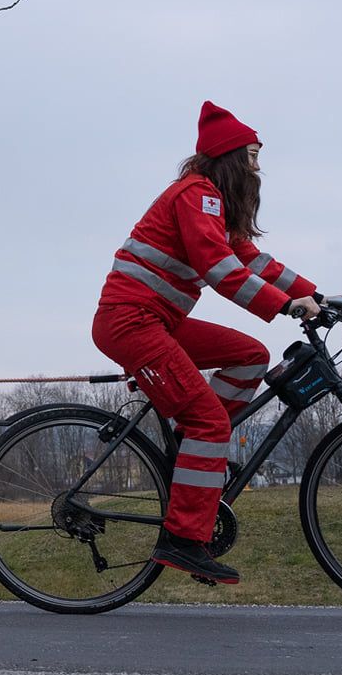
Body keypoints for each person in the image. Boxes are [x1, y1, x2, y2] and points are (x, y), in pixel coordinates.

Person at [91, 101, 323, 585]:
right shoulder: (197, 195)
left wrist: (314, 294)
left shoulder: (212, 202)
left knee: (251, 356)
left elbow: (252, 260)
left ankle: (190, 445)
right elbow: (221, 270)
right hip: (132, 322)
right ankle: (183, 539)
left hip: (159, 321)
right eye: (253, 156)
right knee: (210, 422)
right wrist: (284, 307)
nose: (258, 167)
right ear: (231, 157)